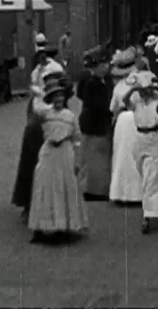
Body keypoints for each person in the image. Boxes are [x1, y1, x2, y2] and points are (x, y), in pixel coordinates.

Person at [11, 34, 64, 221]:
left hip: (42, 116)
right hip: (44, 119)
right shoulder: (48, 71)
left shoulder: (45, 71)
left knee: (34, 162)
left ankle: (32, 203)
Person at [29, 79, 89, 244]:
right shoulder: (45, 114)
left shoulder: (70, 116)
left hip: (65, 152)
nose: (58, 100)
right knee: (44, 187)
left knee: (65, 188)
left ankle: (65, 227)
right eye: (55, 97)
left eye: (61, 97)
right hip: (48, 152)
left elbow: (77, 138)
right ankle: (41, 227)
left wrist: (77, 160)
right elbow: (36, 105)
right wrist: (39, 93)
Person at [124, 71, 158, 234]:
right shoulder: (137, 100)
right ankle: (156, 207)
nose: (144, 92)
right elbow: (125, 101)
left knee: (151, 177)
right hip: (139, 138)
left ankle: (147, 215)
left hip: (154, 138)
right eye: (142, 89)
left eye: (147, 89)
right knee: (143, 173)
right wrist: (133, 89)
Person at [77, 45, 114, 201]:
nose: (106, 67)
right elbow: (99, 105)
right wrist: (110, 110)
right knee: (96, 158)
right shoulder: (94, 83)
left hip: (93, 123)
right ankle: (94, 190)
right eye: (103, 65)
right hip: (95, 125)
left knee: (94, 157)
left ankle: (94, 189)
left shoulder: (98, 81)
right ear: (97, 67)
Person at [108, 48, 144, 205]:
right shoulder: (142, 83)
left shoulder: (118, 87)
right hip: (138, 118)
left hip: (122, 121)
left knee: (122, 156)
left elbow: (113, 108)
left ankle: (121, 193)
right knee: (137, 155)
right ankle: (138, 193)